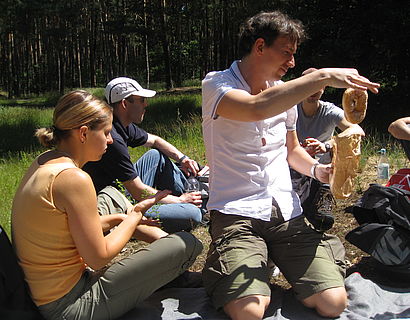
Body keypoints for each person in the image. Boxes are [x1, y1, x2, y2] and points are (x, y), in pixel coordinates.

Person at [201, 11, 380, 320]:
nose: (292, 62)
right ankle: (232, 264)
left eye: (294, 55)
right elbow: (256, 108)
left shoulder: (283, 94)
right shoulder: (217, 85)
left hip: (286, 214)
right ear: (260, 47)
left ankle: (271, 258)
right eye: (286, 52)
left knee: (334, 303)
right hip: (236, 214)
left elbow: (292, 150)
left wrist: (319, 170)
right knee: (249, 312)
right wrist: (321, 75)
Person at [11, 90, 203, 320]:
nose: (111, 140)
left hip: (43, 296)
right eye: (106, 133)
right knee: (188, 244)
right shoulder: (74, 179)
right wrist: (133, 215)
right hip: (71, 307)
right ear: (83, 134)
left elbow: (62, 229)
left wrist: (118, 219)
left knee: (143, 229)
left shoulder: (44, 161)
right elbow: (98, 258)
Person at [83, 77, 203, 234]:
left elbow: (155, 140)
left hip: (125, 188)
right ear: (124, 104)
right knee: (192, 215)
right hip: (119, 202)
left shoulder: (121, 125)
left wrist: (183, 159)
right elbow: (138, 191)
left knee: (155, 155)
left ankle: (195, 195)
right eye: (141, 100)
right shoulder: (113, 141)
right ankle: (191, 203)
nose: (146, 104)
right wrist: (179, 200)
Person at [291, 67, 366, 231]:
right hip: (293, 165)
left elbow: (357, 131)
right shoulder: (289, 110)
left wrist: (326, 146)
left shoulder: (330, 111)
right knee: (291, 214)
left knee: (322, 220)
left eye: (318, 85)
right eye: (308, 85)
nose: (313, 91)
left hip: (324, 169)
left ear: (324, 88)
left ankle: (324, 194)